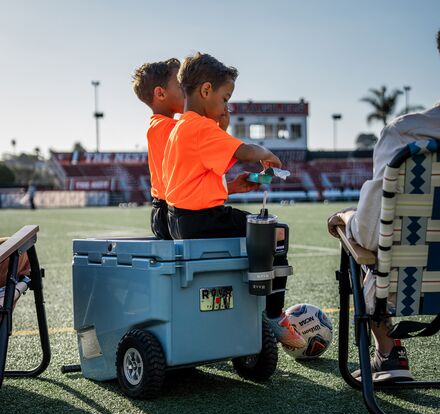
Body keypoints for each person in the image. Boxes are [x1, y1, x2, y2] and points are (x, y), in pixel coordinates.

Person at [163, 52, 306, 349]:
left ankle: (251, 306)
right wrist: (267, 154)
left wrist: (231, 187)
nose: (226, 107)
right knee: (277, 233)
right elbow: (245, 151)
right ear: (206, 90)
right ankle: (273, 314)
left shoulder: (179, 129)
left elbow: (192, 182)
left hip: (179, 219)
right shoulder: (200, 127)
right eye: (225, 98)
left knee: (253, 232)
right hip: (205, 220)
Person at [327, 30, 440, 382]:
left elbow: (372, 234)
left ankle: (388, 354)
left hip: (415, 281)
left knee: (369, 252)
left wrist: (345, 218)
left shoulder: (406, 134)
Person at [132, 58, 185, 239]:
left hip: (162, 210)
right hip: (172, 211)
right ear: (160, 93)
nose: (188, 90)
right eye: (181, 85)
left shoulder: (160, 126)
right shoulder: (168, 128)